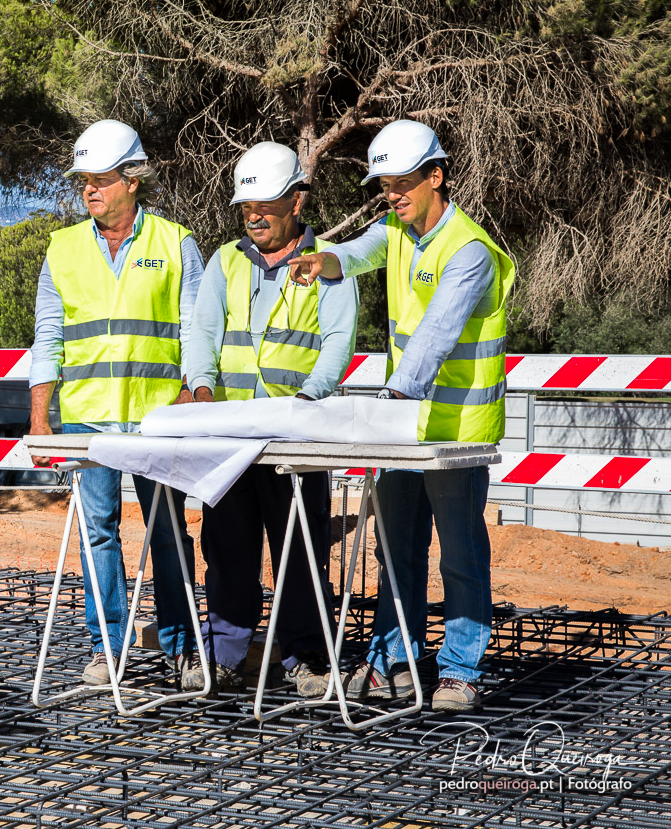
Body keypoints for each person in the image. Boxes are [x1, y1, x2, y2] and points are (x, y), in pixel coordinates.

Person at [288, 120, 516, 712]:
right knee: (396, 549)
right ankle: (397, 660)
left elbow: (435, 337)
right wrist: (323, 260)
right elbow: (358, 253)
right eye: (384, 185)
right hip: (404, 427)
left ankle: (461, 669)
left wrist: (391, 399)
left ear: (436, 176)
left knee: (460, 553)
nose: (391, 194)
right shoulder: (394, 229)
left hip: (452, 433)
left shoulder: (468, 251)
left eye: (401, 184)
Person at [29, 119, 204, 688]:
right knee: (97, 531)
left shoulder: (176, 243)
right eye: (84, 180)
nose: (89, 190)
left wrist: (189, 394)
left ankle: (183, 646)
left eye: (101, 179)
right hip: (86, 417)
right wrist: (39, 418)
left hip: (158, 417)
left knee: (168, 531)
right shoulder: (62, 248)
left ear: (133, 180)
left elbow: (199, 334)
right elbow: (48, 336)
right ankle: (110, 646)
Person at [183, 142, 358, 696]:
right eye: (245, 207)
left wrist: (307, 402)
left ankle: (306, 657)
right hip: (232, 436)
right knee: (227, 549)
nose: (254, 215)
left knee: (300, 551)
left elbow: (337, 343)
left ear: (296, 202)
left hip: (296, 438)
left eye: (264, 204)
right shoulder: (226, 261)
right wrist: (203, 390)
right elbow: (202, 334)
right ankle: (227, 653)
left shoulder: (328, 264)